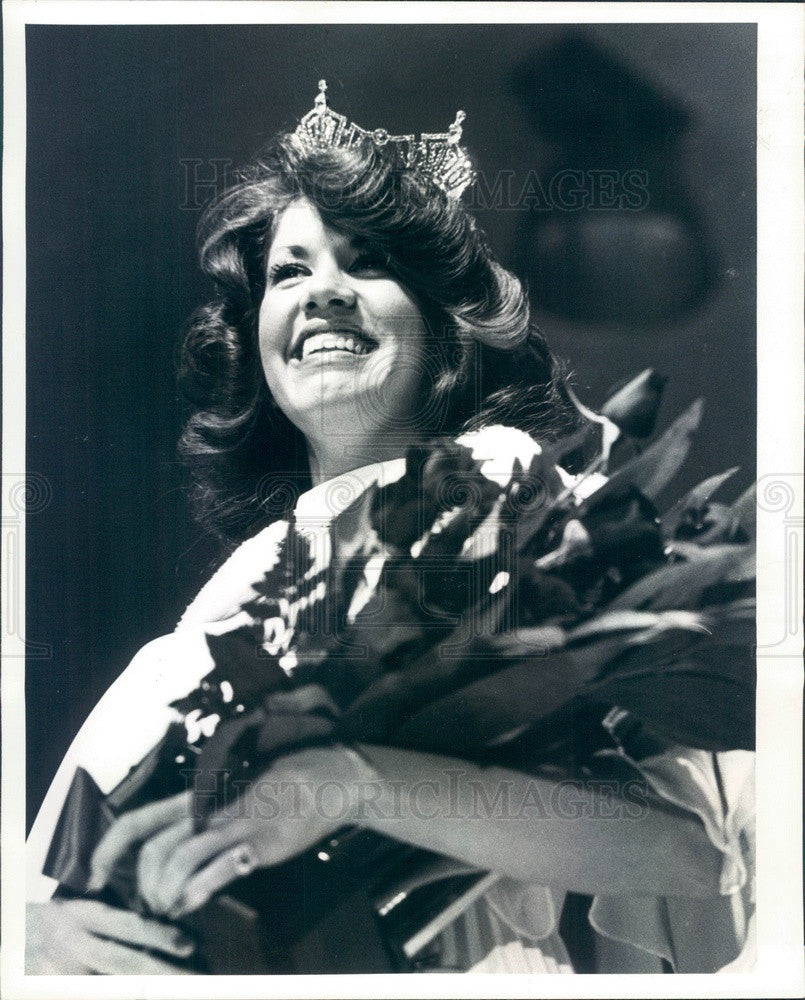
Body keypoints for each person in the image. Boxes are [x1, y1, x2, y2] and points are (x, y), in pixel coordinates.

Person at [26, 84, 755, 975]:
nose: (322, 292)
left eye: (367, 264)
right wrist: (43, 945)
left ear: (447, 330)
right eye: (289, 272)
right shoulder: (203, 631)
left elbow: (687, 856)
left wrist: (351, 783)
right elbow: (63, 886)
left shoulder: (527, 519)